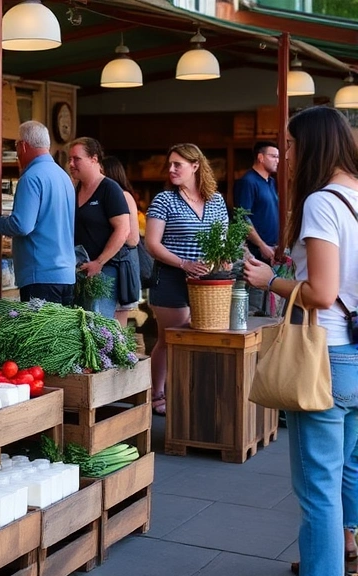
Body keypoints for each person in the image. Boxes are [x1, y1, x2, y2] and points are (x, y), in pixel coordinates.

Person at [242, 106, 358, 576]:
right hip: (355, 353)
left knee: (318, 490)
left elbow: (321, 294)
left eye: (290, 145)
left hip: (324, 356)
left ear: (311, 145)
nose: (285, 154)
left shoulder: (322, 202)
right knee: (348, 469)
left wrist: (271, 280)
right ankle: (344, 552)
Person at [144, 143, 228, 416]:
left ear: (195, 166)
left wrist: (223, 259)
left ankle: (190, 392)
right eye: (170, 164)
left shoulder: (216, 200)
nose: (171, 169)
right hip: (170, 277)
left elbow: (224, 240)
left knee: (204, 338)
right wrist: (184, 263)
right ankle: (158, 393)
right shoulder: (164, 200)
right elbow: (152, 245)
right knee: (170, 338)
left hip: (208, 282)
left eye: (177, 164)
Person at [0, 120, 75, 305]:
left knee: (43, 334)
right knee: (61, 334)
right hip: (66, 274)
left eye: (17, 146)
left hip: (40, 274)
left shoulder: (31, 177)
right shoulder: (63, 176)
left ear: (23, 146)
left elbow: (22, 225)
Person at [67, 137, 130, 318]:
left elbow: (123, 230)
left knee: (99, 328)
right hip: (79, 270)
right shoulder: (75, 189)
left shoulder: (110, 189)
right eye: (69, 159)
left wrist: (99, 262)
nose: (71, 164)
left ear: (94, 159)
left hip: (103, 270)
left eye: (76, 159)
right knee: (80, 326)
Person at [234, 141, 280, 316]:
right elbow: (242, 219)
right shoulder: (248, 182)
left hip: (273, 250)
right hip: (254, 252)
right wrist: (261, 245)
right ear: (260, 157)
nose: (277, 160)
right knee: (253, 306)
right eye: (273, 156)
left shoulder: (272, 182)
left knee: (270, 307)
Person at [101, 156, 143, 327]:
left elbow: (133, 238)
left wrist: (112, 239)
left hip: (120, 267)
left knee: (117, 325)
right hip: (112, 267)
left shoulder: (123, 196)